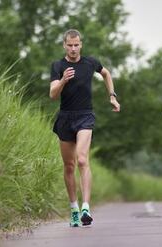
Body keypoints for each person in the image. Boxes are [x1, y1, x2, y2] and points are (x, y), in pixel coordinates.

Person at [49, 29, 120, 227]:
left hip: (85, 116)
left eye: (76, 45)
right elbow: (52, 95)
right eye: (69, 45)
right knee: (69, 165)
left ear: (81, 45)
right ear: (64, 45)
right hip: (65, 118)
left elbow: (106, 74)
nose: (73, 48)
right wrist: (63, 80)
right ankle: (74, 209)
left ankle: (86, 207)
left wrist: (112, 96)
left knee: (82, 159)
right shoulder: (58, 66)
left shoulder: (90, 62)